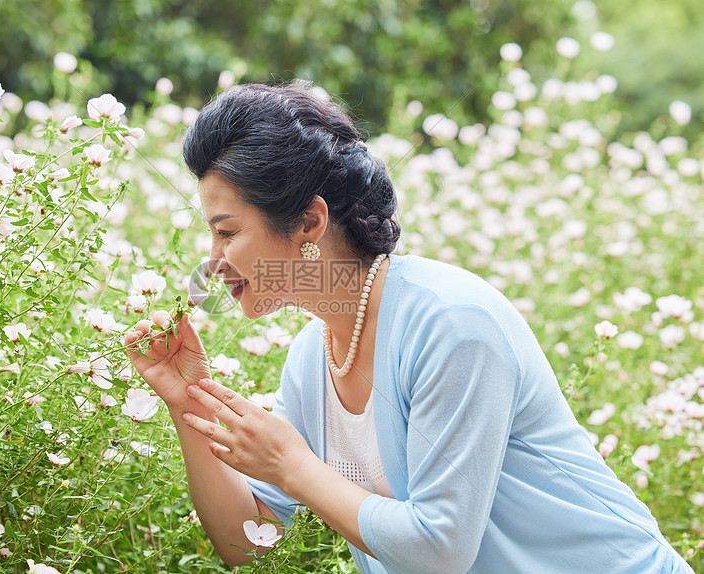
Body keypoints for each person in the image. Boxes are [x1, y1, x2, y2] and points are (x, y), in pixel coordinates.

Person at [124, 82, 693, 573]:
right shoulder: (313, 355)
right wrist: (187, 402)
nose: (214, 260)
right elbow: (248, 544)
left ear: (309, 222)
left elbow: (440, 553)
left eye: (227, 233)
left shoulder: (451, 324)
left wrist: (293, 466)